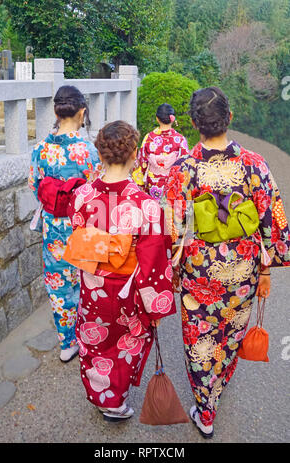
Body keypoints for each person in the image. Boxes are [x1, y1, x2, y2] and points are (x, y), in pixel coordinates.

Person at [161, 86, 290, 438]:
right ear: (229, 118)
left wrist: (173, 268)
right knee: (230, 332)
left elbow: (171, 227)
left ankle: (205, 409)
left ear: (193, 123)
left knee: (200, 339)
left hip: (199, 272)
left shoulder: (182, 170)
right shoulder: (254, 164)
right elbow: (272, 218)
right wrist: (265, 269)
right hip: (242, 272)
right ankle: (218, 383)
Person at [64, 120, 176, 422]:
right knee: (127, 343)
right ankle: (115, 399)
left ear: (100, 154)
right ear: (136, 154)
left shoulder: (82, 196)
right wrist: (155, 307)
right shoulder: (147, 206)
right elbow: (153, 266)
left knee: (94, 340)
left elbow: (79, 239)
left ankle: (101, 395)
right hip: (129, 291)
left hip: (93, 286)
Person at [28, 85, 100, 363]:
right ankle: (86, 334)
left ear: (57, 112)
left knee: (58, 283)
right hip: (82, 227)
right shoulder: (88, 151)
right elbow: (96, 192)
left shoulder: (40, 149)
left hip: (53, 226)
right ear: (82, 112)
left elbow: (36, 189)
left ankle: (66, 342)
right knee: (84, 279)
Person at [132, 103, 189, 201]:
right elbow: (186, 164)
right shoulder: (180, 139)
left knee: (155, 212)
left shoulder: (149, 138)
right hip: (172, 183)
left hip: (153, 184)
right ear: (172, 119)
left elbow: (142, 162)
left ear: (157, 118)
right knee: (170, 212)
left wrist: (141, 186)